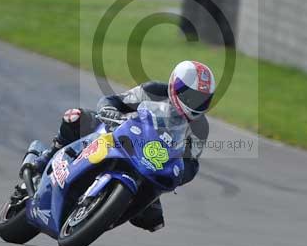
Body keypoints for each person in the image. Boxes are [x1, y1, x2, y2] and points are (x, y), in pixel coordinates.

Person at [21, 60, 216, 233]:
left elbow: (191, 163)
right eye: (192, 96)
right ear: (176, 86)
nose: (196, 103)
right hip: (120, 134)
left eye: (202, 99)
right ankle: (44, 159)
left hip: (151, 163)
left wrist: (180, 171)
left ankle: (106, 212)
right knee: (75, 117)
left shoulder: (200, 127)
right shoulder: (153, 91)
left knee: (153, 219)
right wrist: (110, 111)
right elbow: (114, 101)